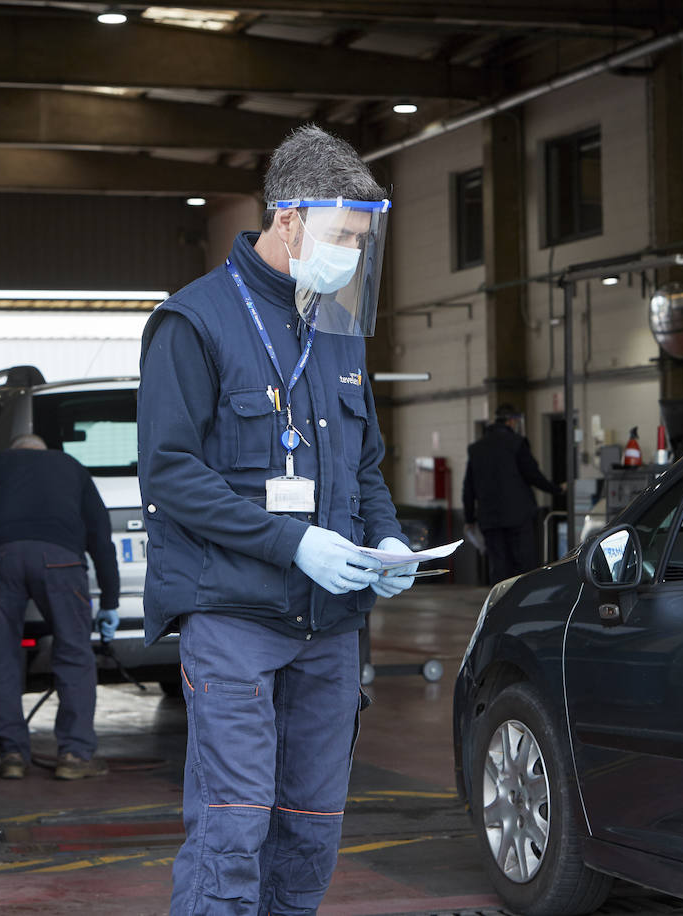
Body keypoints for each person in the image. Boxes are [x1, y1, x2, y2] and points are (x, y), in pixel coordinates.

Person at [138, 124, 417, 916]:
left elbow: (363, 466)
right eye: (342, 236)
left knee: (310, 831)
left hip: (328, 625)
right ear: (287, 220)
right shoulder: (192, 323)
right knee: (234, 829)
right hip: (233, 616)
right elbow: (171, 477)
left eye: (364, 240)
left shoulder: (336, 327)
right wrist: (294, 542)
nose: (353, 256)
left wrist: (386, 535)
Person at [0, 434, 120, 781]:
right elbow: (101, 537)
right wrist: (111, 602)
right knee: (74, 653)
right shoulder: (71, 467)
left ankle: (11, 753)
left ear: (14, 451)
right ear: (44, 451)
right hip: (61, 561)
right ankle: (74, 754)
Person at [462, 404, 565, 584]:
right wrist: (556, 490)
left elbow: (468, 487)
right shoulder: (517, 443)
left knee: (498, 565)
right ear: (512, 421)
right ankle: (522, 605)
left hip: (489, 518)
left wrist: (469, 518)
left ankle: (500, 605)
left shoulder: (476, 449)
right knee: (524, 563)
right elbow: (533, 475)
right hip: (518, 516)